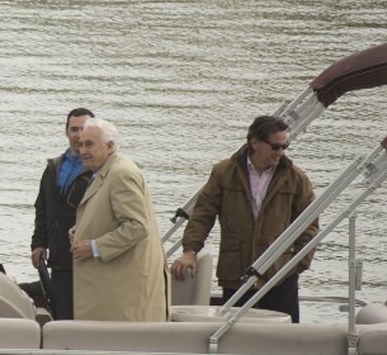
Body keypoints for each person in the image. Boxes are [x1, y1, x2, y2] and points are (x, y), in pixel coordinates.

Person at [171, 115, 317, 322]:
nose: (281, 153)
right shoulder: (223, 172)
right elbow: (203, 214)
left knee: (284, 336)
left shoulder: (296, 178)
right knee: (234, 333)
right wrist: (190, 251)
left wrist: (296, 264)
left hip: (280, 275)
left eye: (285, 146)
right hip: (235, 272)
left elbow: (309, 226)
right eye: (276, 147)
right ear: (255, 142)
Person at [68, 118, 169, 322]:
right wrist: (82, 229)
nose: (82, 151)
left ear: (110, 146)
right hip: (111, 293)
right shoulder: (107, 171)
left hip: (122, 297)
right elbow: (112, 216)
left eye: (89, 144)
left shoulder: (121, 173)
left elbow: (137, 226)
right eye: (80, 145)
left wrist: (94, 247)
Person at [30, 107, 95, 321]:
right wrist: (39, 243)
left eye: (83, 130)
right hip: (58, 258)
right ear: (66, 132)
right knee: (61, 311)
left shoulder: (99, 171)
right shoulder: (54, 167)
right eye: (73, 129)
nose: (78, 135)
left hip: (88, 257)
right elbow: (43, 207)